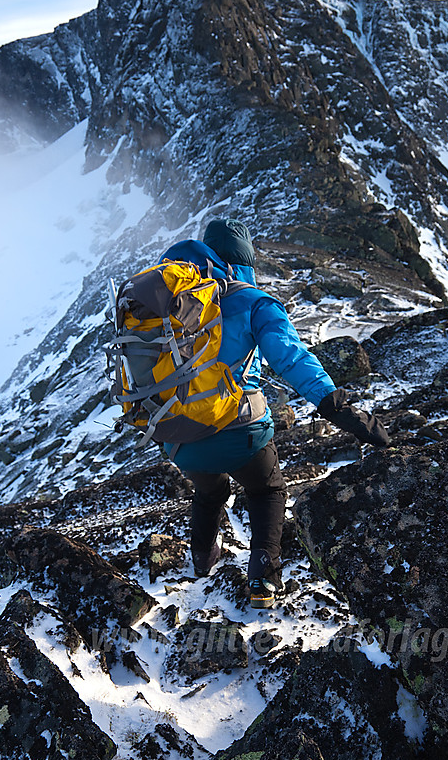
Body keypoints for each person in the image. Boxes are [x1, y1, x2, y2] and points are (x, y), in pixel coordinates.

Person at [160, 219, 388, 608]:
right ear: (247, 259)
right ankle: (263, 581)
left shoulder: (169, 303)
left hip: (177, 438)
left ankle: (200, 561)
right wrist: (334, 405)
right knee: (266, 490)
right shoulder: (254, 302)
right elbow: (290, 357)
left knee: (210, 488)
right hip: (238, 433)